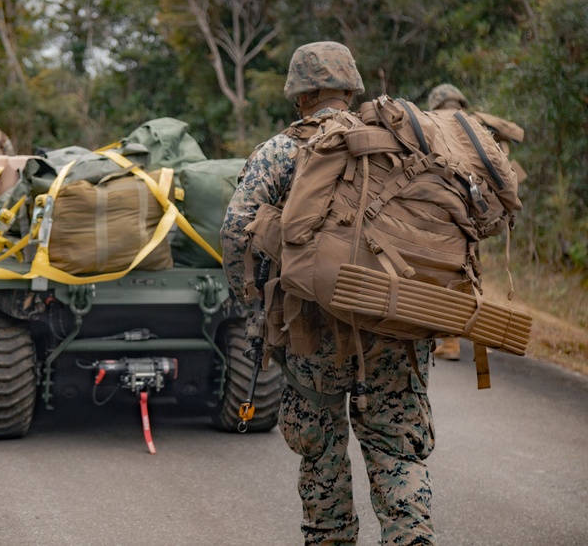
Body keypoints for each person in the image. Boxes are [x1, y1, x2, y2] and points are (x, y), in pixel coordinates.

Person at [221, 42, 436, 545]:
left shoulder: (279, 151)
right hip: (394, 321)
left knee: (321, 450)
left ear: (301, 95)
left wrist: (252, 302)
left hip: (310, 327)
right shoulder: (400, 142)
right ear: (349, 89)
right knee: (397, 449)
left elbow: (235, 230)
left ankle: (331, 538)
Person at [426, 83, 525, 361]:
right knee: (471, 273)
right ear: (461, 101)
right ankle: (472, 335)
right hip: (477, 214)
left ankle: (450, 341)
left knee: (443, 275)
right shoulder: (478, 125)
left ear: (435, 104)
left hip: (444, 214)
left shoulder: (431, 123)